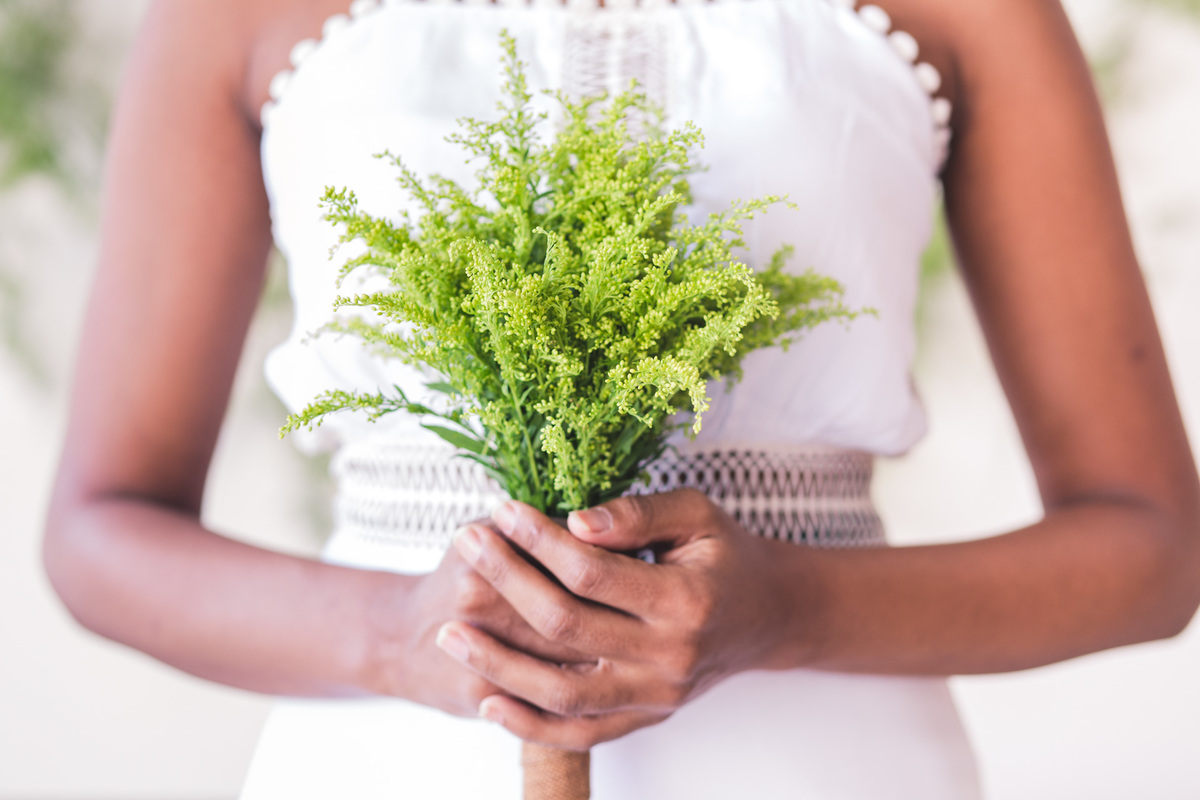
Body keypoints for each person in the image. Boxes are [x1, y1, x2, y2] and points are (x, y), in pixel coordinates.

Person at [43, 0, 1200, 797]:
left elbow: (1150, 545)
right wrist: (399, 636)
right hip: (392, 763)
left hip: (825, 764)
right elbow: (100, 528)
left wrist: (791, 606)